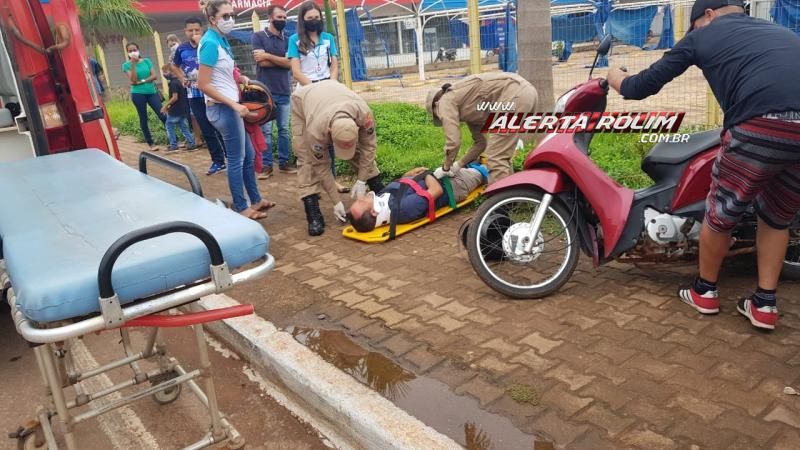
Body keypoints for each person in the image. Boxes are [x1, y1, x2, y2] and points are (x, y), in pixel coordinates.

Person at [607, 0, 800, 331]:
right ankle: (765, 304)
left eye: (694, 23)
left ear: (708, 15)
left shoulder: (703, 35)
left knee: (721, 211)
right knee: (777, 217)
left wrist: (615, 77)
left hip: (757, 125)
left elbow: (641, 87)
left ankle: (705, 291)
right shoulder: (780, 31)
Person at [198, 0, 272, 220]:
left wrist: (240, 77)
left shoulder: (220, 40)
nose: (231, 20)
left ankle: (255, 200)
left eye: (232, 15)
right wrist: (233, 104)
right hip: (224, 109)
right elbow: (204, 83)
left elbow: (222, 73)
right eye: (226, 16)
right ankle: (240, 206)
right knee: (237, 159)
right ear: (213, 19)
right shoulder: (210, 43)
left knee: (247, 156)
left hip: (230, 107)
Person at [291, 80, 384, 236]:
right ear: (329, 132)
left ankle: (376, 183)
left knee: (359, 152)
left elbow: (369, 148)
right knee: (306, 158)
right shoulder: (316, 130)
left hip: (334, 95)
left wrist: (362, 180)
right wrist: (336, 201)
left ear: (357, 126)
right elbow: (321, 165)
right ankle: (312, 208)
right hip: (303, 101)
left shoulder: (364, 115)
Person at [424, 72, 538, 184]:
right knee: (502, 156)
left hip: (514, 95)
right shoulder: (467, 104)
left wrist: (445, 167)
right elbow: (481, 143)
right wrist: (458, 165)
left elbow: (453, 142)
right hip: (527, 93)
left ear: (436, 106)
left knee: (495, 158)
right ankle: (513, 198)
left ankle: (501, 201)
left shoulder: (445, 101)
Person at [287, 1, 348, 194]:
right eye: (310, 18)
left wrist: (331, 84)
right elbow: (296, 71)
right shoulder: (294, 40)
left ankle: (332, 180)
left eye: (317, 18)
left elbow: (334, 65)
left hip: (327, 89)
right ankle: (312, 182)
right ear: (302, 20)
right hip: (306, 92)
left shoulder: (328, 38)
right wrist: (314, 89)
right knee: (309, 138)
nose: (314, 21)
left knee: (328, 135)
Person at [347, 166, 486, 233]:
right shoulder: (403, 208)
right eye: (361, 202)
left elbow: (401, 185)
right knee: (486, 169)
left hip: (441, 176)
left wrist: (410, 174)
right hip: (455, 185)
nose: (361, 198)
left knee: (468, 160)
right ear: (374, 212)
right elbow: (437, 191)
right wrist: (426, 174)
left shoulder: (382, 200)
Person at [173, 17, 228, 176]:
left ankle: (231, 158)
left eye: (197, 30)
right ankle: (218, 161)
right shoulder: (181, 48)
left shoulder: (208, 44)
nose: (194, 33)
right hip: (194, 94)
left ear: (202, 30)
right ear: (185, 32)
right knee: (206, 128)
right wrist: (181, 77)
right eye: (190, 30)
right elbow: (174, 66)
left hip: (212, 92)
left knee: (219, 126)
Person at [251, 4, 298, 179]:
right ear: (270, 18)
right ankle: (266, 166)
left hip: (284, 91)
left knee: (284, 129)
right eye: (279, 17)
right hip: (264, 94)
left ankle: (285, 163)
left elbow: (290, 64)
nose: (282, 20)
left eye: (284, 18)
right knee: (266, 132)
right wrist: (282, 60)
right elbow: (260, 63)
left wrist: (268, 56)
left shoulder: (289, 39)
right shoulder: (258, 36)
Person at [122, 42, 166, 152]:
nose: (133, 52)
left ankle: (173, 138)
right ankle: (150, 142)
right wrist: (132, 64)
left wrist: (143, 81)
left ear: (138, 50)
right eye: (130, 51)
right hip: (138, 94)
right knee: (143, 118)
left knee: (162, 114)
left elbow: (154, 76)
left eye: (134, 50)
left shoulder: (147, 61)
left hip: (152, 92)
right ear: (127, 53)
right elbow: (133, 80)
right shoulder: (126, 65)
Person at [160, 65, 199, 152]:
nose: (164, 74)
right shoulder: (180, 82)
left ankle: (173, 145)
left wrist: (165, 106)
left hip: (175, 110)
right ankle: (191, 143)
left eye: (165, 72)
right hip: (183, 109)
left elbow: (175, 97)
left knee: (169, 125)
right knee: (183, 126)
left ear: (173, 72)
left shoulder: (173, 84)